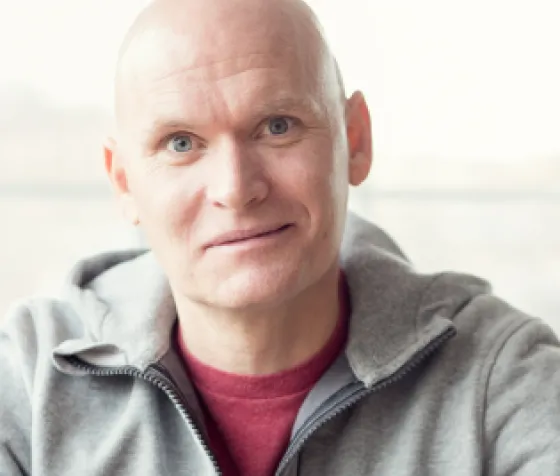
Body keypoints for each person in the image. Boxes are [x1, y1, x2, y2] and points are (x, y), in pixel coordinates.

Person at [1, 0, 559, 474]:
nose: (236, 188)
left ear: (355, 140)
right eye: (180, 143)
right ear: (123, 182)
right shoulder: (24, 380)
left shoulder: (502, 375)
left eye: (277, 126)